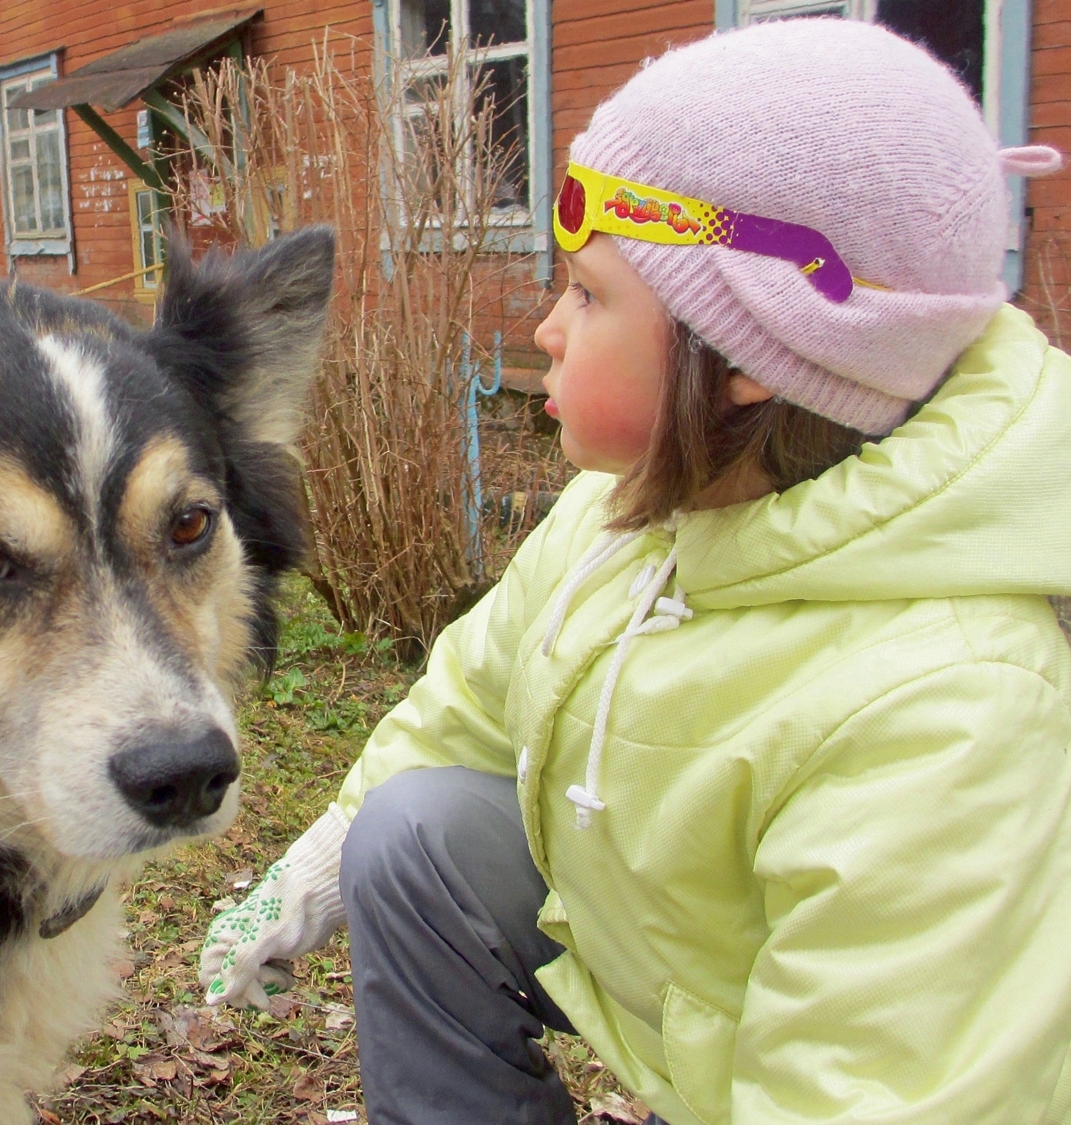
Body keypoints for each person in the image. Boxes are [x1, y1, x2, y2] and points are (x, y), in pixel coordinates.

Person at [200, 17, 1071, 1125]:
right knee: (412, 832)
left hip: (787, 1067)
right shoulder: (620, 522)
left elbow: (884, 1088)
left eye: (591, 295)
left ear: (753, 353)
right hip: (678, 967)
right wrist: (308, 875)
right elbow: (468, 703)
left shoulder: (948, 706)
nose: (547, 328)